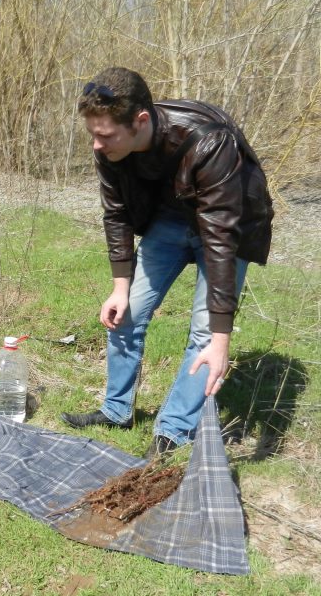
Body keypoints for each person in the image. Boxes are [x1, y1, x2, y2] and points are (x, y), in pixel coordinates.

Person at [62, 67, 273, 456]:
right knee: (126, 312)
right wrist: (119, 287)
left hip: (228, 227)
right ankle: (116, 410)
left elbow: (221, 240)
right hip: (171, 219)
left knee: (204, 335)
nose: (96, 144)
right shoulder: (110, 146)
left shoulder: (209, 143)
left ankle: (173, 432)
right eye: (92, 133)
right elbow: (117, 214)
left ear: (140, 120)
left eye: (104, 135)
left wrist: (221, 338)